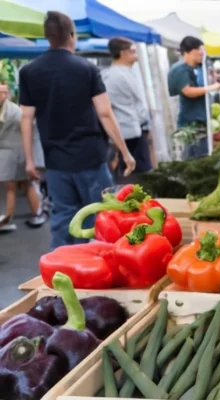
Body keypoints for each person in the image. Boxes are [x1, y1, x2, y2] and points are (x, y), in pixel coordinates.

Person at [18, 11, 135, 249]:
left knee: (63, 218)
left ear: (47, 37)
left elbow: (26, 118)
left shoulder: (29, 71)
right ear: (72, 36)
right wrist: (125, 151)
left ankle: (60, 272)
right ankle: (106, 268)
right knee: (103, 217)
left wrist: (29, 160)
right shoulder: (86, 69)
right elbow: (104, 113)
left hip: (56, 161)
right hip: (91, 157)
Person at [102, 37, 152, 184]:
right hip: (126, 132)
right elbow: (107, 107)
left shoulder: (128, 72)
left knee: (141, 174)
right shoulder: (112, 76)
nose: (136, 55)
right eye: (133, 51)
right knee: (132, 177)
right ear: (123, 53)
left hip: (136, 129)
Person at [0, 81, 46, 232]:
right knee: (16, 186)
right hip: (10, 153)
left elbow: (29, 127)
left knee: (21, 186)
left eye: (4, 92)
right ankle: (11, 217)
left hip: (16, 152)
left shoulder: (14, 110)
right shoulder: (9, 109)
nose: (2, 95)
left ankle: (13, 217)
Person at [167, 36, 220, 159]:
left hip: (202, 120)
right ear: (187, 52)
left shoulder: (198, 68)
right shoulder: (179, 69)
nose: (201, 52)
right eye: (198, 49)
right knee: (193, 159)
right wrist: (212, 87)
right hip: (191, 123)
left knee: (202, 156)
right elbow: (188, 91)